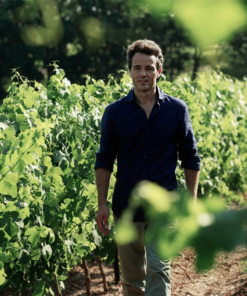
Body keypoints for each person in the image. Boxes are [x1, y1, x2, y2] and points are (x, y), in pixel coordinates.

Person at [94, 39, 201, 296]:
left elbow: (191, 157)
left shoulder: (177, 110)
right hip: (126, 206)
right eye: (137, 67)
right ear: (129, 71)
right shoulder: (114, 112)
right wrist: (102, 204)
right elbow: (104, 159)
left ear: (159, 71)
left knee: (158, 270)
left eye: (149, 68)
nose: (143, 73)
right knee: (132, 280)